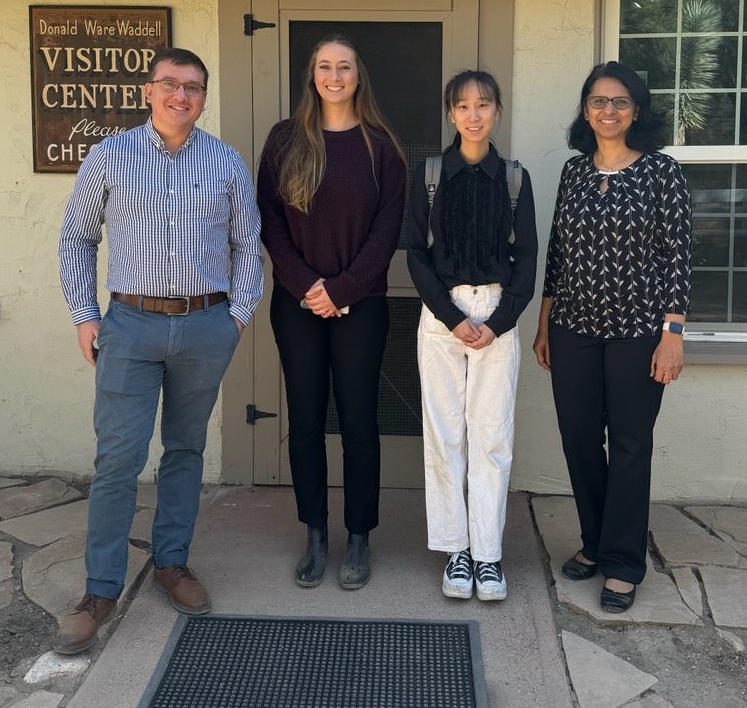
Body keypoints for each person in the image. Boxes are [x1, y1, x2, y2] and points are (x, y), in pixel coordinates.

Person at [56, 47, 263, 653]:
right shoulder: (110, 156)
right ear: (148, 91)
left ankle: (172, 563)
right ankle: (99, 590)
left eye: (194, 87)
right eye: (170, 84)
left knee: (185, 448)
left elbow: (248, 244)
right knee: (118, 458)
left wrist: (238, 317)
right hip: (130, 325)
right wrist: (84, 315)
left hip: (205, 326)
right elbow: (77, 236)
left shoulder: (225, 162)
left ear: (204, 96)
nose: (182, 96)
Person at [533, 61, 691, 614]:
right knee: (578, 439)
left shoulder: (661, 172)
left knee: (628, 446)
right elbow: (557, 254)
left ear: (637, 110)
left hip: (638, 333)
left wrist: (672, 335)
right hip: (573, 328)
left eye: (620, 102)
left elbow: (678, 259)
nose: (608, 110)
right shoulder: (575, 173)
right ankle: (595, 542)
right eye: (598, 101)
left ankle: (623, 563)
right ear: (585, 110)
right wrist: (544, 322)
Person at [257, 34, 406, 590]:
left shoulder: (381, 146)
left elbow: (387, 230)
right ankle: (315, 534)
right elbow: (268, 220)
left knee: (360, 424)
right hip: (296, 305)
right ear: (312, 76)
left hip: (360, 306)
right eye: (325, 66)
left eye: (345, 66)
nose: (335, 76)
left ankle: (360, 536)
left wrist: (341, 289)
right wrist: (307, 286)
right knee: (305, 422)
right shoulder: (285, 139)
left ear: (358, 75)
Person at [407, 69, 537, 601]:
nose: (474, 114)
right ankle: (455, 551)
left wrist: (500, 321)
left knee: (491, 437)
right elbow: (415, 252)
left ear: (498, 111)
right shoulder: (432, 174)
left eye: (484, 104)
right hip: (442, 314)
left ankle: (488, 554)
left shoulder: (514, 178)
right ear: (450, 114)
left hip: (497, 314)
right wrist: (450, 316)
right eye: (463, 106)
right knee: (445, 435)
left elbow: (527, 256)